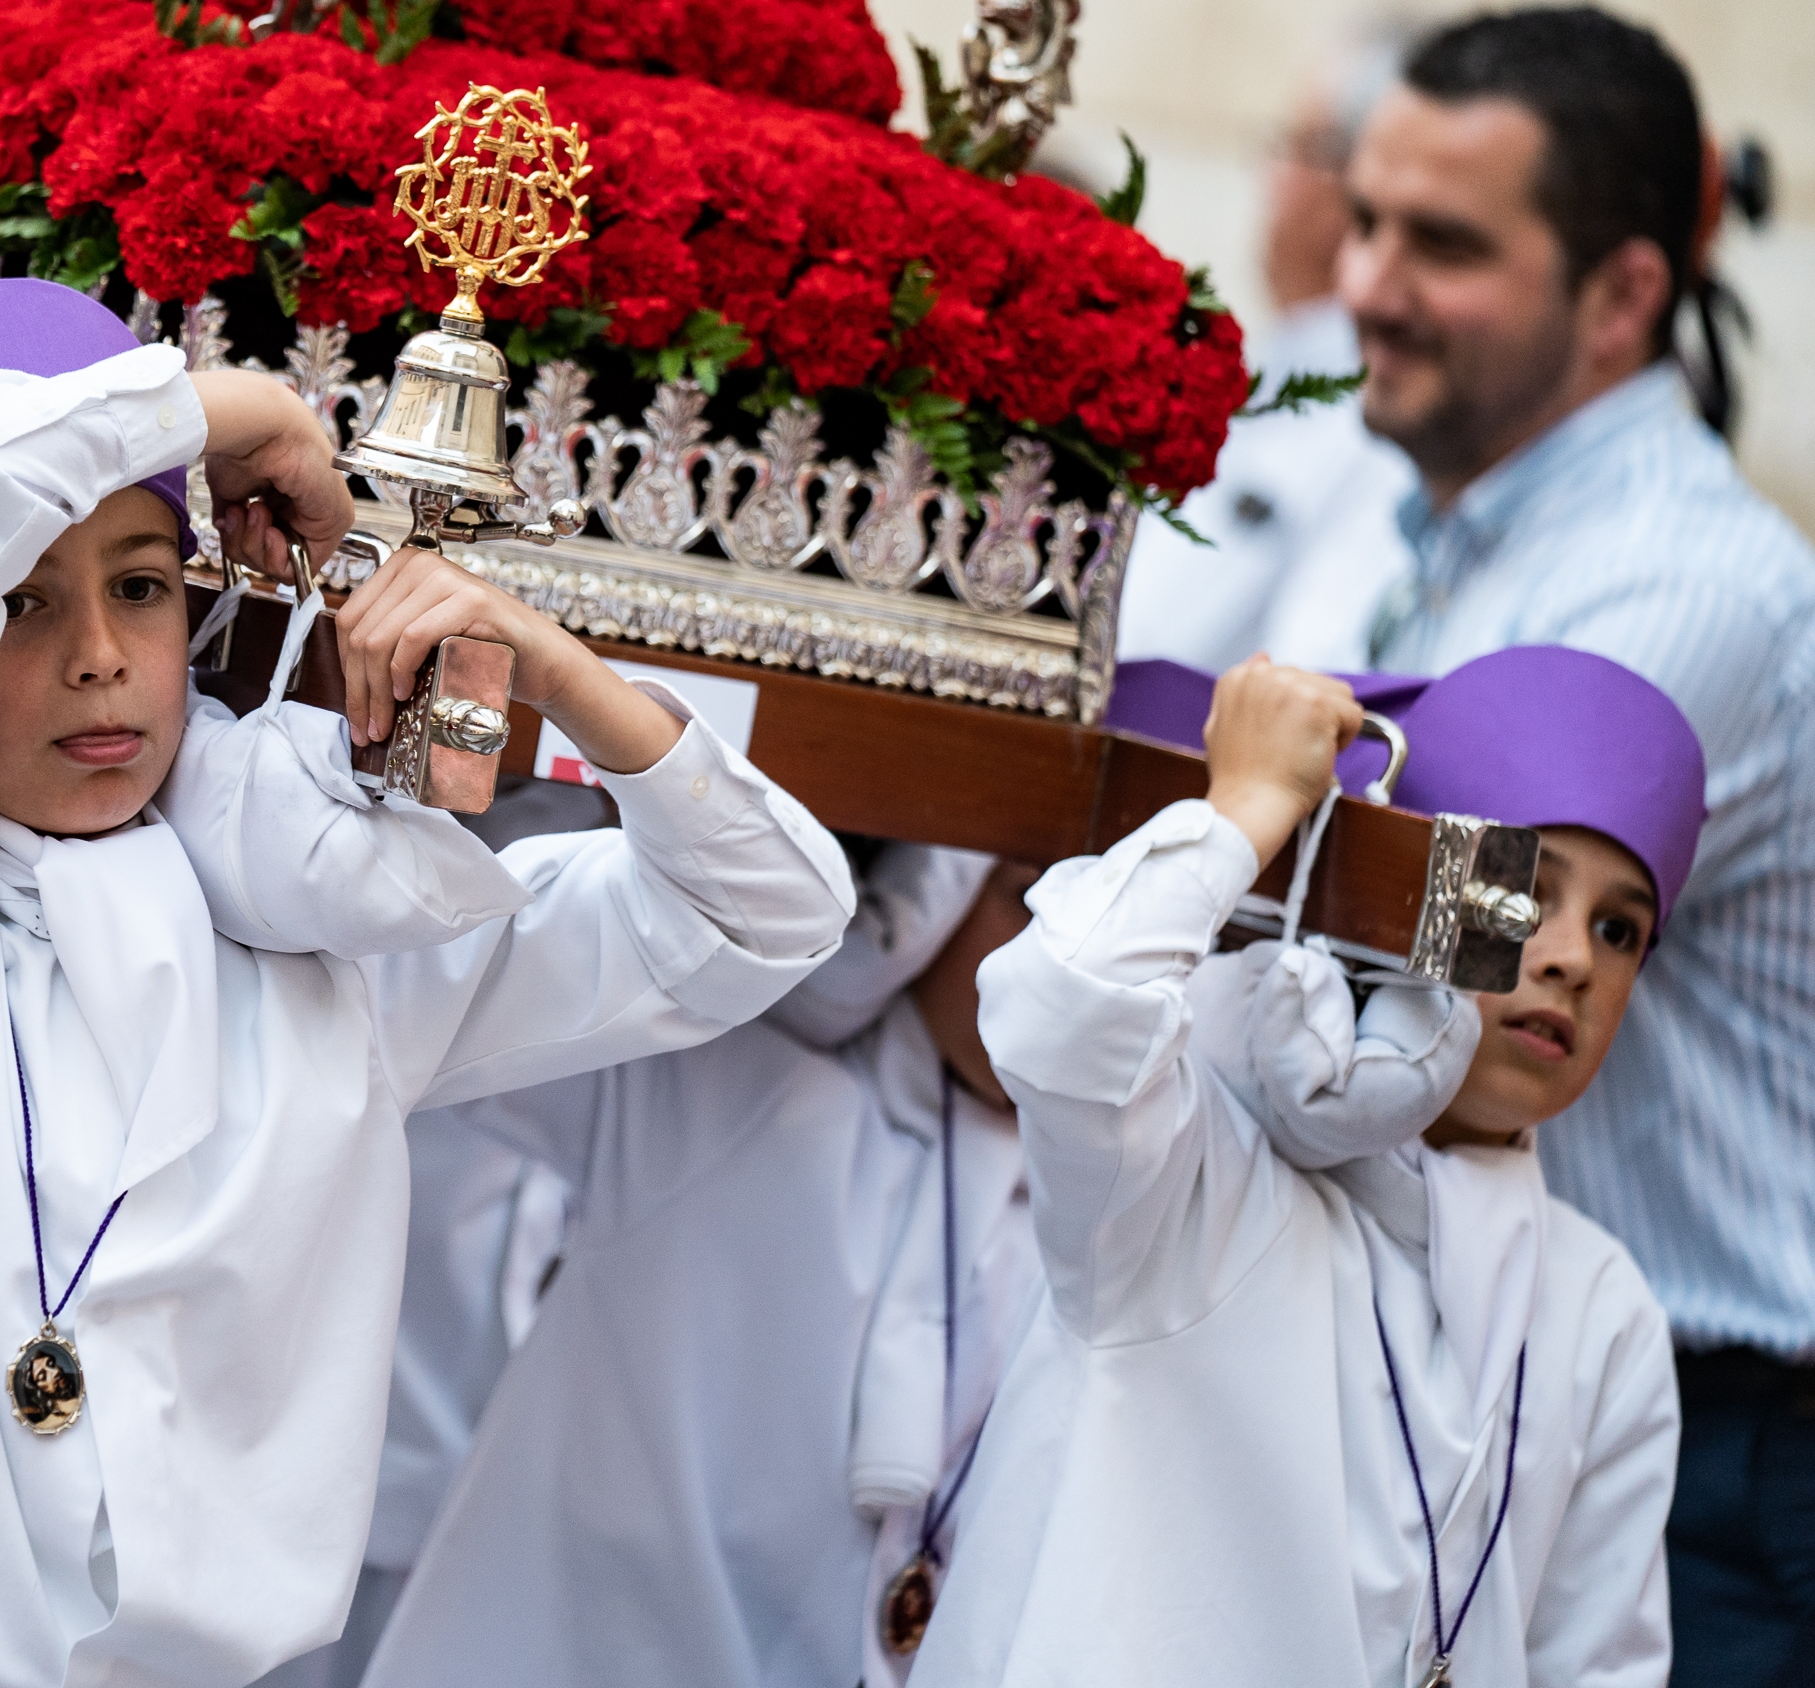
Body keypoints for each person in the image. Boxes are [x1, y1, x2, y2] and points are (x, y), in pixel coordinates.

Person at [0, 276, 855, 1687]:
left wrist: (553, 670)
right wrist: (239, 412)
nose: (99, 657)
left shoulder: (340, 949)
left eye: (142, 587)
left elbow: (764, 918)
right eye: (20, 601)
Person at [916, 648, 1698, 1688]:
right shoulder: (1195, 1170)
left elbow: (1596, 1664)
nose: (1570, 958)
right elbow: (1059, 1007)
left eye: (1620, 927)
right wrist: (1246, 804)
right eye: (1520, 894)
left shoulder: (1605, 1306)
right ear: (1395, 900)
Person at [1342, 15, 1815, 1678]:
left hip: (1709, 1439)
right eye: (1366, 217)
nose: (1371, 283)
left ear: (1623, 296)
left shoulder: (1679, 584)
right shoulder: (1449, 523)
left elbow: (1418, 940)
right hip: (1505, 1361)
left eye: (1446, 243)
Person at [361, 842, 1030, 1688]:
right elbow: (419, 985)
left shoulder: (1109, 1211)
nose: (1053, 964)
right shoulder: (735, 1081)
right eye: (1026, 901)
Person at [1114, 34, 1412, 674]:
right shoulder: (1283, 354)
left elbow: (1307, 666)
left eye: (1298, 149)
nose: (1272, 176)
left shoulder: (1380, 401)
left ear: (1362, 181)